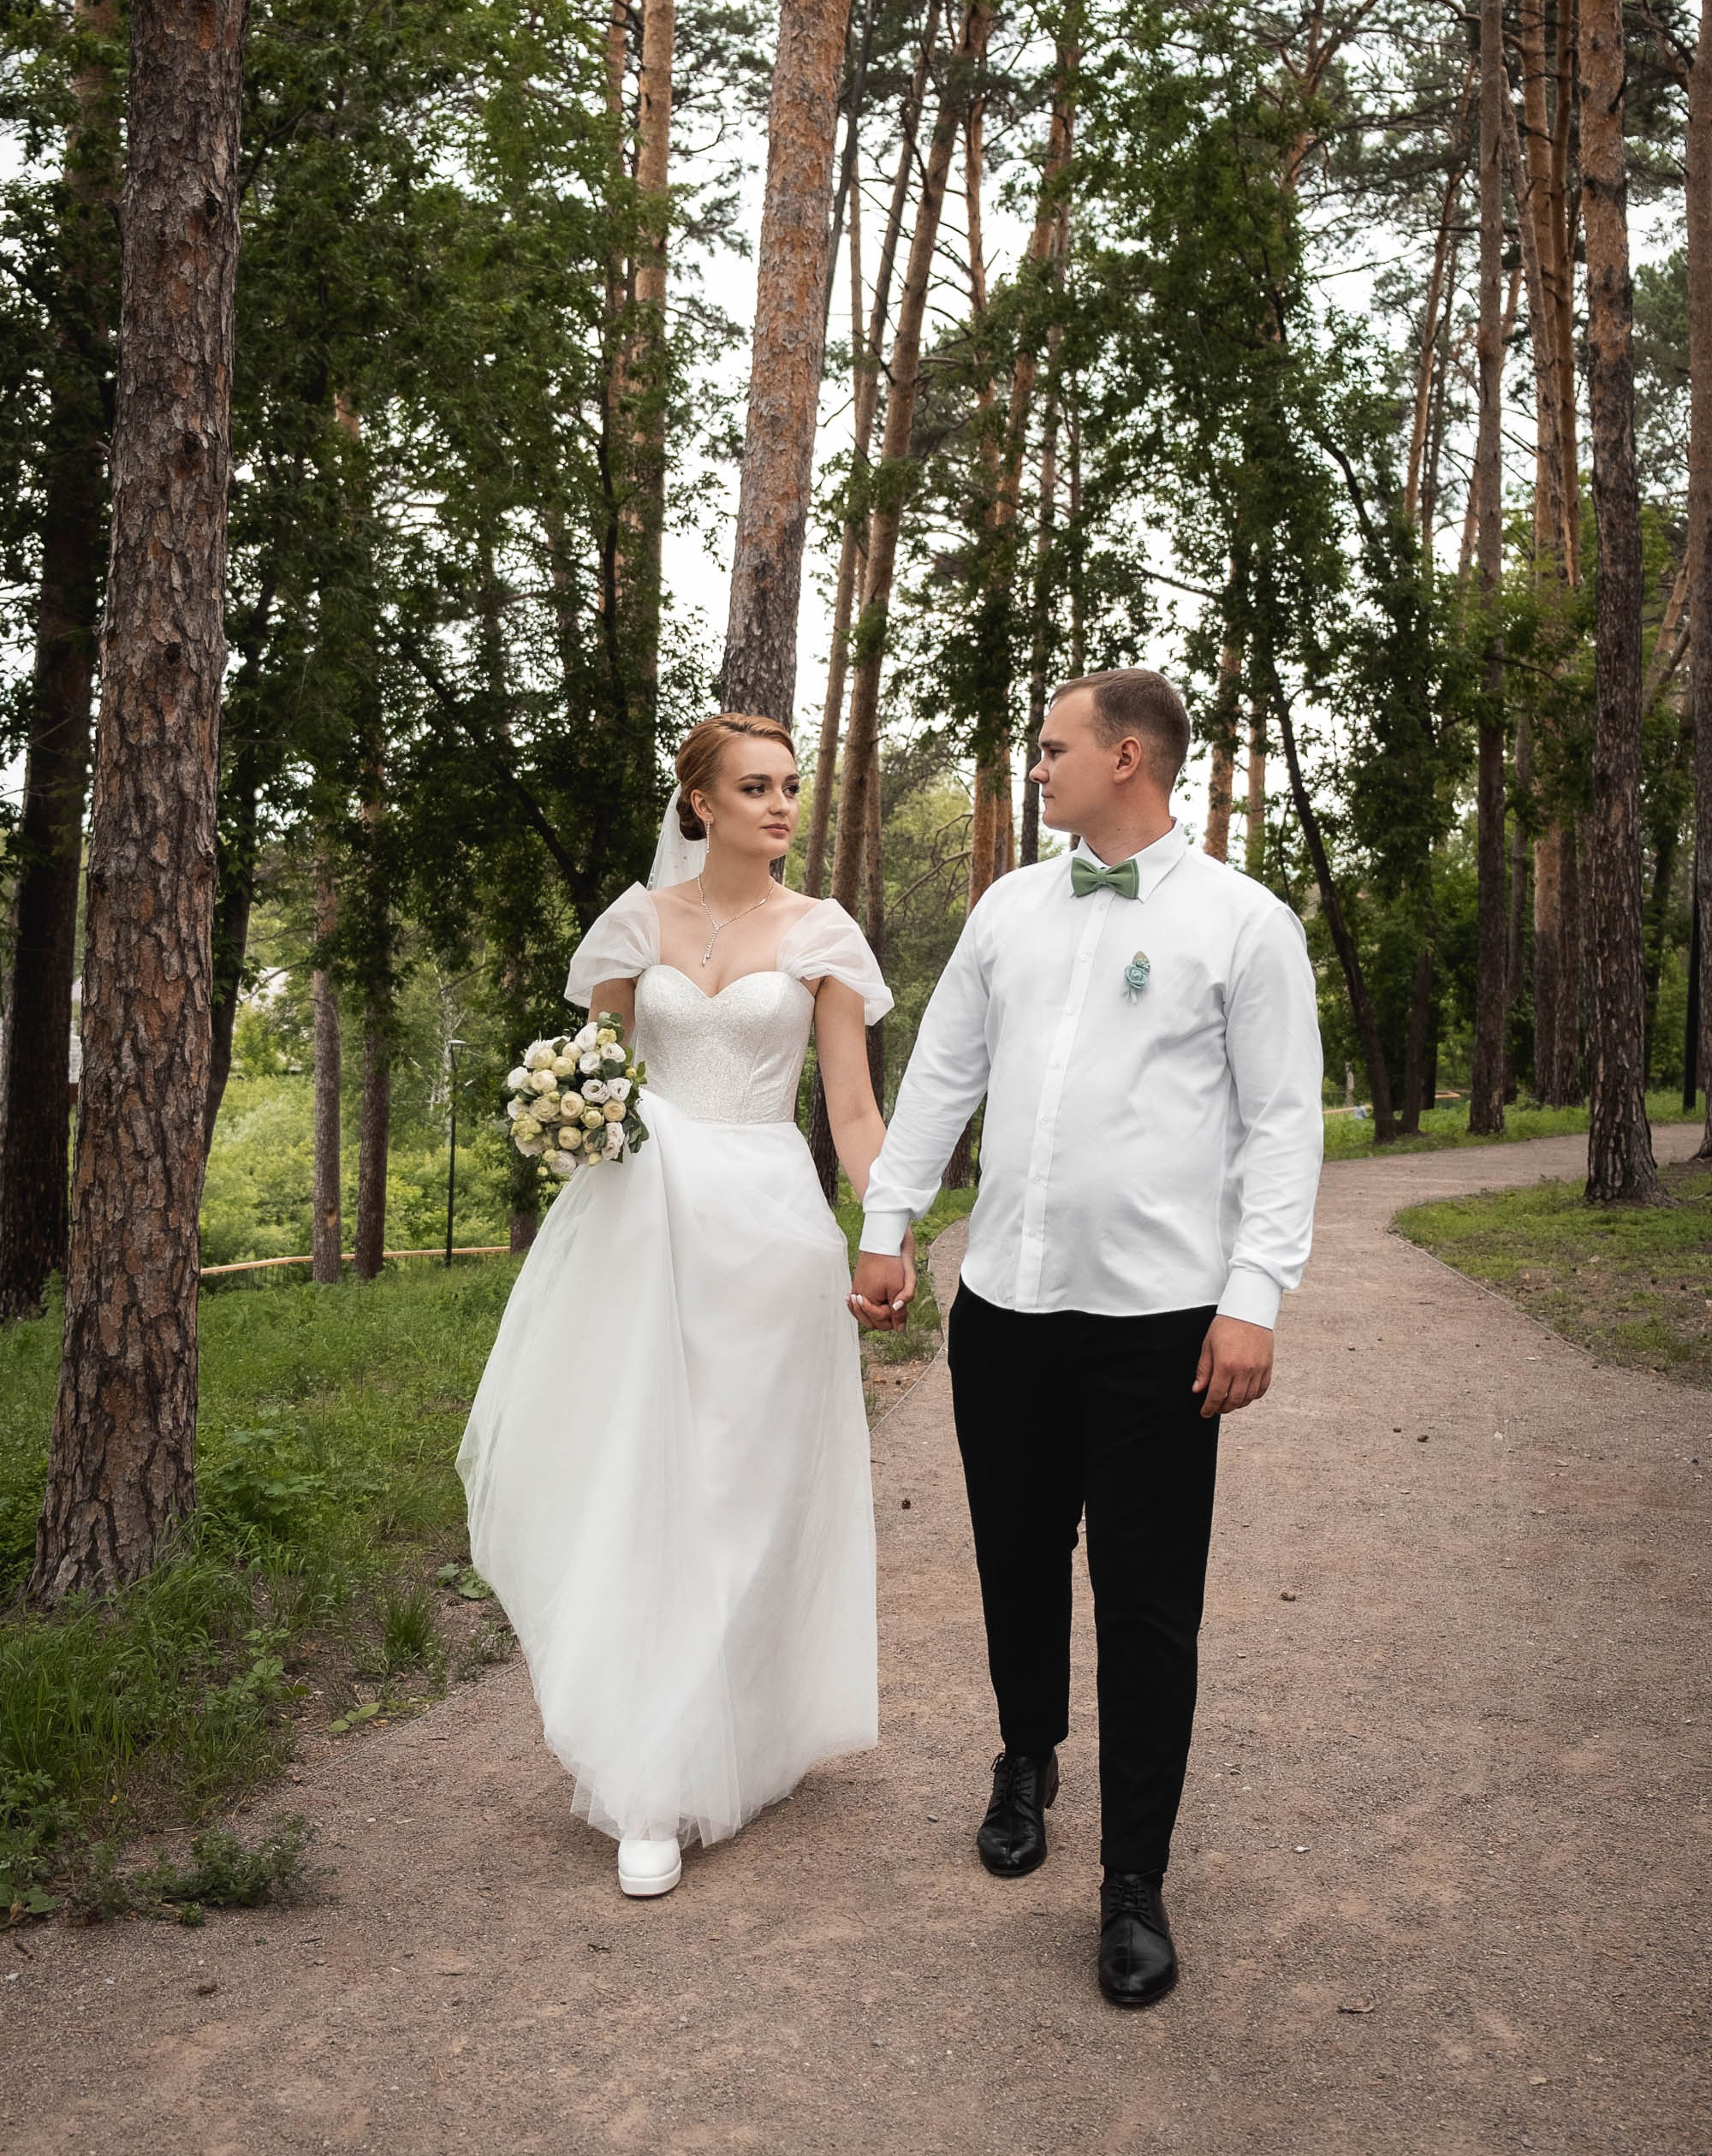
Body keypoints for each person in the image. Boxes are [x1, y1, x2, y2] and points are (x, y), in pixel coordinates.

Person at [851, 668, 1323, 2007]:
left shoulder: (1245, 923)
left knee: (1149, 1601)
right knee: (1013, 1552)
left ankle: (1134, 1881)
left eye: (1051, 747)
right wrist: (892, 1227)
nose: (1034, 765)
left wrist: (1255, 1297)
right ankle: (1024, 1752)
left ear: (1127, 759)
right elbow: (942, 1073)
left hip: (1161, 1320)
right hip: (1005, 1301)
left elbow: (1286, 1122)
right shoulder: (1008, 907)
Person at [460, 712, 909, 1900]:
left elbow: (853, 1114)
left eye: (791, 787)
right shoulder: (633, 925)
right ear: (697, 802)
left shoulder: (823, 935)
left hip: (767, 1224)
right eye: (755, 787)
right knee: (644, 1476)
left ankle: (734, 1734)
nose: (781, 805)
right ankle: (650, 1777)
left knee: (750, 1486)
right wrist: (564, 1124)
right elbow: (595, 1078)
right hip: (646, 1222)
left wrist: (888, 1227)